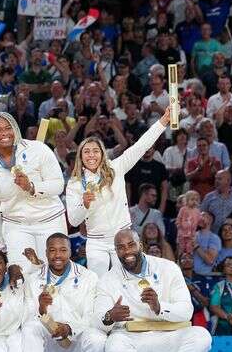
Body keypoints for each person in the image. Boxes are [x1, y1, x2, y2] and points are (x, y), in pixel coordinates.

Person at [94, 229, 212, 352]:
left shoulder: (168, 268)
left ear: (140, 244)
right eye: (120, 248)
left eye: (131, 245)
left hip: (168, 338)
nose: (127, 251)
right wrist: (110, 316)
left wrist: (159, 307)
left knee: (201, 336)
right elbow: (98, 318)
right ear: (116, 252)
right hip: (133, 340)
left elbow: (186, 311)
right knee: (114, 347)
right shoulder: (108, 279)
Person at [66, 106, 172, 275]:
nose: (91, 155)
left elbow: (140, 146)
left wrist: (163, 122)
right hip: (96, 242)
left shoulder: (116, 167)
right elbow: (73, 220)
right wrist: (84, 204)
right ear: (80, 156)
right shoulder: (75, 183)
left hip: (123, 237)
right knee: (99, 287)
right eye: (86, 151)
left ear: (102, 153)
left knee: (128, 281)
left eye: (95, 151)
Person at [21, 235, 106, 352]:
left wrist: (69, 328)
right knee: (29, 329)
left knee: (98, 339)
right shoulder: (33, 279)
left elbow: (91, 316)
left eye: (62, 250)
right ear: (46, 253)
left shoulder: (88, 276)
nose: (57, 255)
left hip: (76, 344)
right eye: (52, 250)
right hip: (49, 345)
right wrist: (41, 309)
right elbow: (26, 317)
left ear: (70, 252)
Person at [0, 111, 66, 268]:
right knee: (24, 274)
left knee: (53, 271)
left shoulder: (38, 149)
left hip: (50, 220)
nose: (5, 133)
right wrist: (0, 243)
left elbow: (58, 185)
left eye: (8, 128)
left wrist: (32, 187)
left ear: (15, 129)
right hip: (16, 227)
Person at [176, 190, 201, 255]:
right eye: (192, 199)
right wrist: (179, 226)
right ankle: (179, 260)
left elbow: (199, 221)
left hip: (191, 234)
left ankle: (189, 260)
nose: (194, 202)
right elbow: (179, 218)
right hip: (182, 233)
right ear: (187, 200)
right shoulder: (183, 209)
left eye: (196, 200)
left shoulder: (197, 211)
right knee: (181, 249)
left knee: (189, 249)